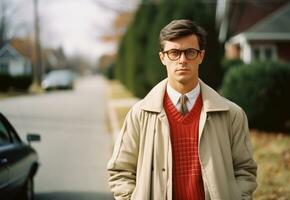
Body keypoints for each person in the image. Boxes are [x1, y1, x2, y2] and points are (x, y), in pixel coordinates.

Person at [107, 19, 257, 200]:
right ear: (163, 57)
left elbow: (245, 170)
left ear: (201, 56)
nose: (183, 60)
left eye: (190, 52)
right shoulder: (139, 114)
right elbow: (120, 170)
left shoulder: (232, 114)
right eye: (174, 53)